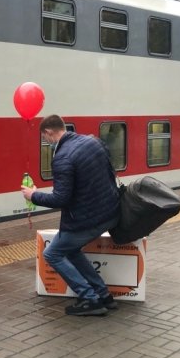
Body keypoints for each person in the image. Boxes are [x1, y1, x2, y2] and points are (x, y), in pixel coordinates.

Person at [21, 114, 121, 317]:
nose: (46, 142)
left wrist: (34, 195)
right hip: (110, 212)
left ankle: (90, 298)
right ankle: (103, 295)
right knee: (71, 249)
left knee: (53, 254)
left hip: (87, 220)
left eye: (44, 138)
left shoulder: (63, 157)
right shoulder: (92, 142)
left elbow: (60, 200)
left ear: (48, 133)